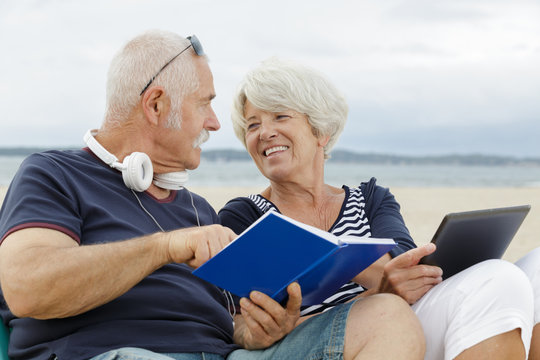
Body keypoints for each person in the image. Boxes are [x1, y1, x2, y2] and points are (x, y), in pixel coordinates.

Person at [0, 30, 426, 360]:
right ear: (157, 105)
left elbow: (232, 324)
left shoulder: (198, 210)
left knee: (388, 318)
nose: (217, 123)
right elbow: (26, 287)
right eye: (204, 103)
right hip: (118, 353)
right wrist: (165, 246)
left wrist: (256, 330)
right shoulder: (53, 174)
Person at [219, 57, 540, 360]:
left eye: (280, 116)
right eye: (252, 125)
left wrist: (384, 280)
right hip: (334, 339)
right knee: (498, 279)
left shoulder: (370, 197)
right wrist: (374, 290)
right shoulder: (245, 216)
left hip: (404, 318)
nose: (265, 132)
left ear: (321, 131)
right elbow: (232, 320)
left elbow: (402, 265)